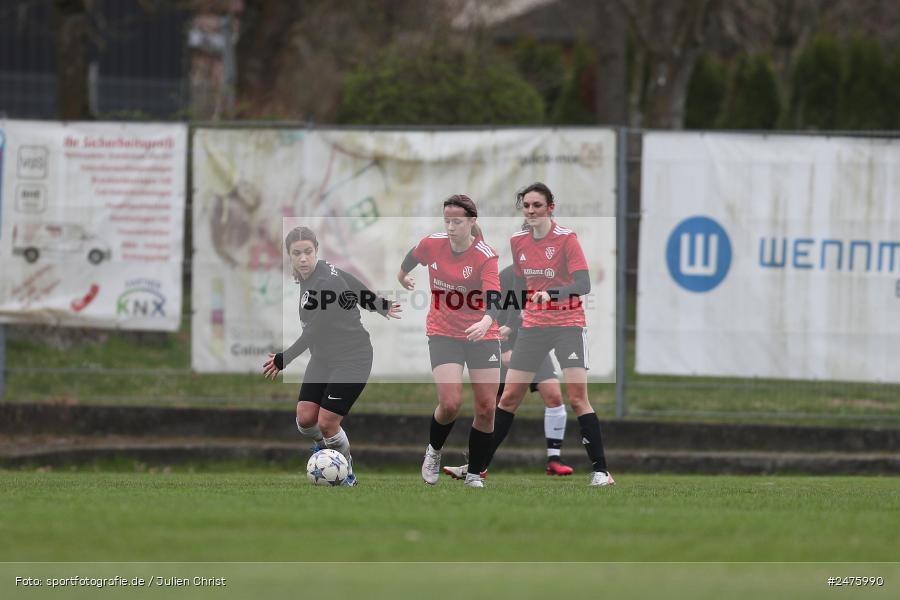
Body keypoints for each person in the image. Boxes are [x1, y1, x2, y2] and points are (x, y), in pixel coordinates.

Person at [487, 182, 614, 487]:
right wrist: (511, 325)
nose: (530, 211)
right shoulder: (518, 241)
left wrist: (552, 294)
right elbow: (519, 287)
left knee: (577, 398)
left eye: (537, 206)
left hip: (567, 325)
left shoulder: (567, 239)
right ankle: (477, 466)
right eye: (526, 206)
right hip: (532, 327)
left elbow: (583, 284)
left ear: (550, 208)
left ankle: (601, 472)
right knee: (508, 398)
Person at [263, 226, 401, 486]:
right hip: (323, 358)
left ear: (316, 251)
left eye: (308, 252)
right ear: (289, 256)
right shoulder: (320, 272)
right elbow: (352, 282)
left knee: (327, 422)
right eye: (297, 253)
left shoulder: (326, 282)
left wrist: (284, 359)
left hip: (353, 358)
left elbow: (314, 331)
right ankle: (324, 451)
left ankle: (345, 470)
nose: (303, 258)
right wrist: (378, 305)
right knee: (305, 420)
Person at [397, 194, 502, 489]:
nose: (452, 226)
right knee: (451, 403)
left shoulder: (485, 255)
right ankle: (434, 451)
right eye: (447, 220)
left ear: (471, 222)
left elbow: (495, 297)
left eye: (457, 221)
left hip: (482, 333)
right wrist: (402, 274)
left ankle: (473, 474)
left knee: (486, 407)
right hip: (443, 332)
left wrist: (485, 321)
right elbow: (413, 255)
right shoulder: (433, 244)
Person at [442, 262, 573, 480]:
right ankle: (477, 464)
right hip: (508, 345)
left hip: (534, 344)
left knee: (554, 395)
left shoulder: (549, 275)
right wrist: (507, 347)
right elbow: (494, 314)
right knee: (500, 402)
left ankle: (554, 460)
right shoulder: (508, 276)